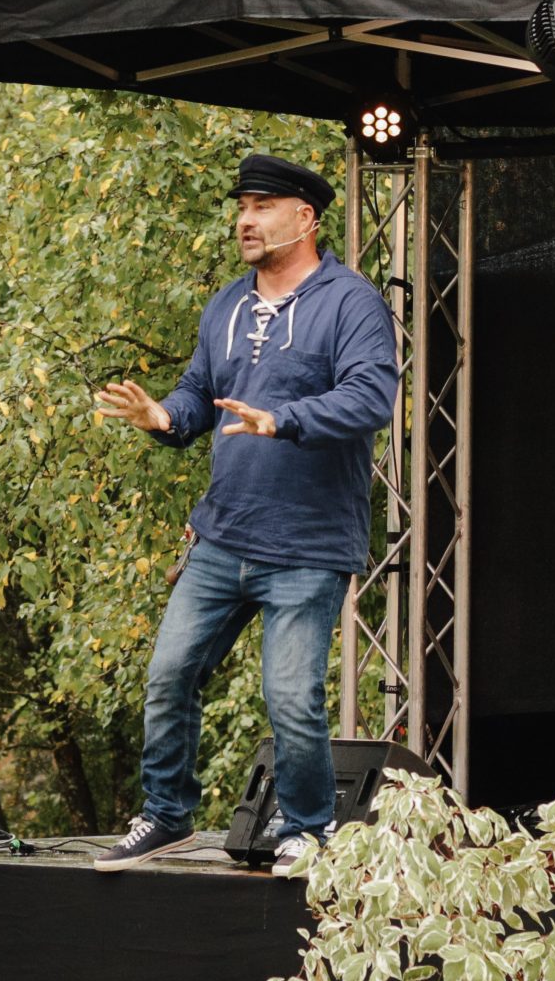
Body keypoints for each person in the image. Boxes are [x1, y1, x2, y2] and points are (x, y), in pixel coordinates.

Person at [88, 152, 399, 876]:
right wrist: (163, 415)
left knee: (289, 696)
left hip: (308, 545)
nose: (245, 220)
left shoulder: (351, 302)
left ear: (305, 217)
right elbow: (201, 393)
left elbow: (370, 398)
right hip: (222, 535)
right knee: (170, 675)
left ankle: (309, 829)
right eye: (241, 207)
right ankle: (167, 815)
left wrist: (283, 418)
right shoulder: (227, 304)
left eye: (262, 206)